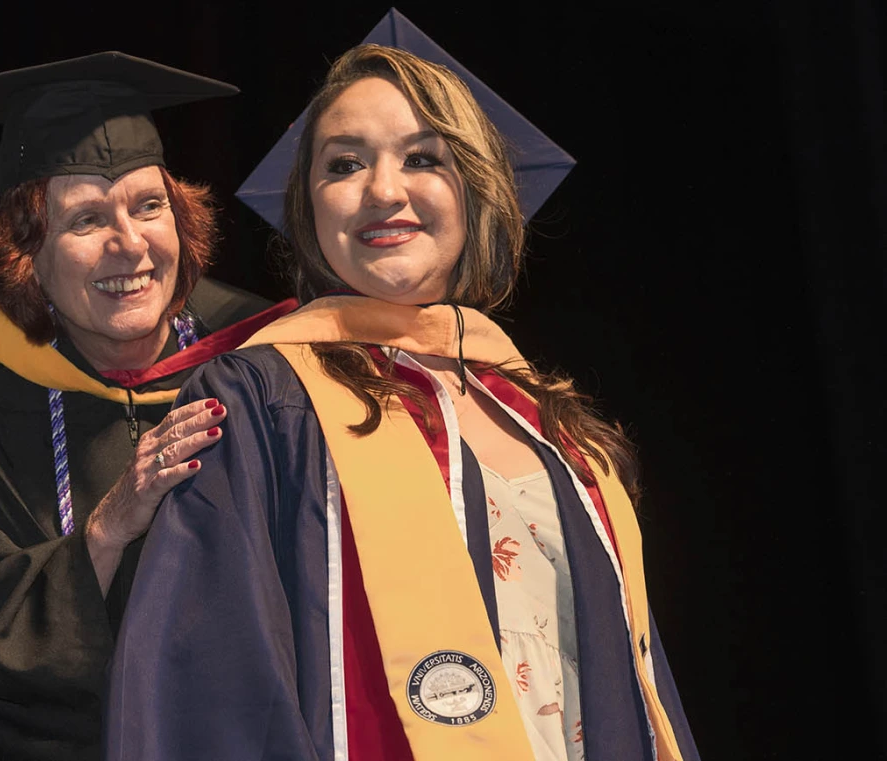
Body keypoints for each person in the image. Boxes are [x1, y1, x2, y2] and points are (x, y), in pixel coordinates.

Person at [105, 44, 700, 761]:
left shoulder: (555, 425)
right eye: (344, 164)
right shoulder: (260, 402)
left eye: (423, 158)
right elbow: (212, 692)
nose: (384, 190)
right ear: (309, 207)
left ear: (474, 189)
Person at [0, 51, 295, 761]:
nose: (130, 244)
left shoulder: (266, 367)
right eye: (88, 219)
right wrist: (105, 531)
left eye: (149, 207)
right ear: (26, 251)